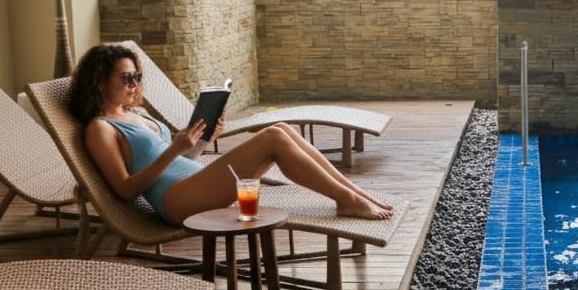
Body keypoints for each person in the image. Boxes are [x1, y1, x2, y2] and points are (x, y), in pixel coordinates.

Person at [70, 44, 392, 226]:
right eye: (126, 78)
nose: (134, 85)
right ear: (99, 81)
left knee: (281, 129)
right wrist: (173, 150)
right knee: (273, 138)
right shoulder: (100, 128)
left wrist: (205, 140)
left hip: (196, 182)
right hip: (178, 201)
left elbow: (181, 160)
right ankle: (347, 200)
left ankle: (356, 194)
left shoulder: (136, 114)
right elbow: (126, 190)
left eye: (137, 77)